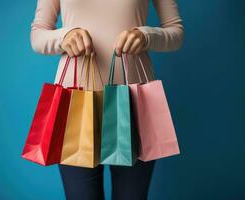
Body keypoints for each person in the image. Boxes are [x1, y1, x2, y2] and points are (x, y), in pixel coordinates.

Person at [30, 0, 184, 199]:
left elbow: (176, 32)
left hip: (133, 105)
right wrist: (64, 36)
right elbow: (37, 35)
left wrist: (146, 36)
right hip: (74, 105)